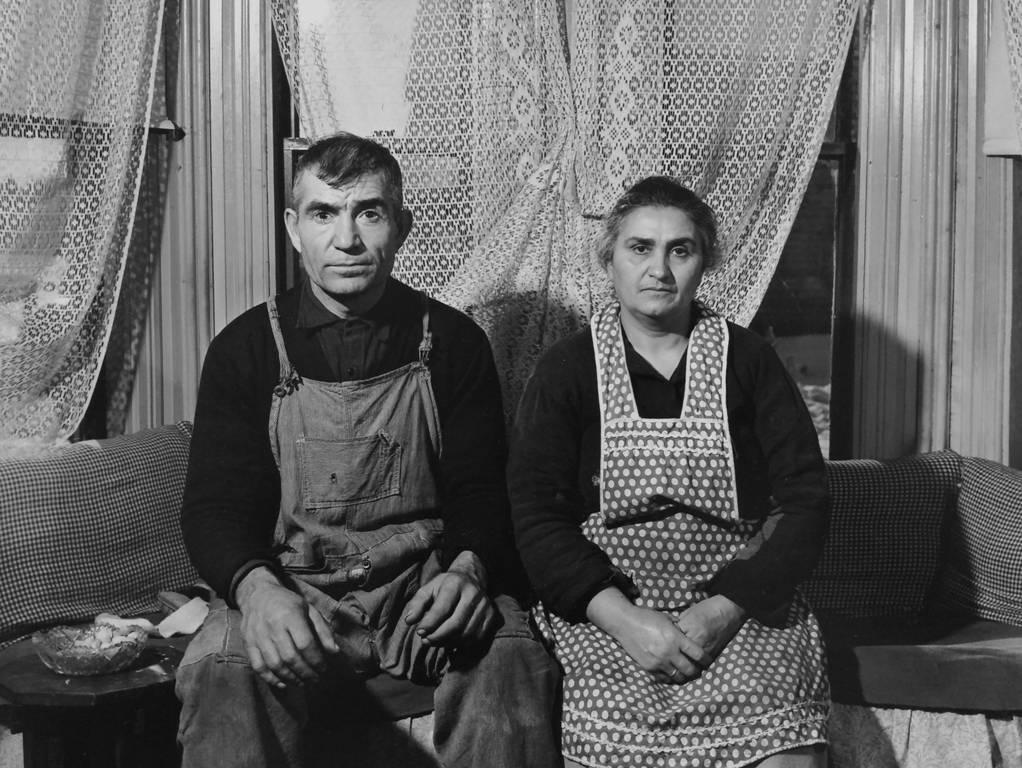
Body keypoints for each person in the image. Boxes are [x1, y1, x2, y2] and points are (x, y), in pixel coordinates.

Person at [176, 131, 561, 768]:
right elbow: (214, 507)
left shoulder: (455, 343)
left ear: (401, 227)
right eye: (324, 213)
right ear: (294, 229)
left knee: (512, 660)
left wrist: (471, 568)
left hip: (423, 588)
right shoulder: (244, 349)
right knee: (222, 673)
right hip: (295, 587)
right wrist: (257, 592)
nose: (347, 238)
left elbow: (485, 491)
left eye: (369, 213)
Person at [509, 176, 830, 767]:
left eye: (679, 250)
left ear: (704, 262)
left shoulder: (749, 361)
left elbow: (806, 500)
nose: (659, 268)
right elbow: (534, 515)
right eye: (640, 248)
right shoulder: (568, 369)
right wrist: (625, 620)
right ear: (609, 259)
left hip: (737, 605)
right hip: (609, 609)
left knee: (786, 750)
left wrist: (725, 608)